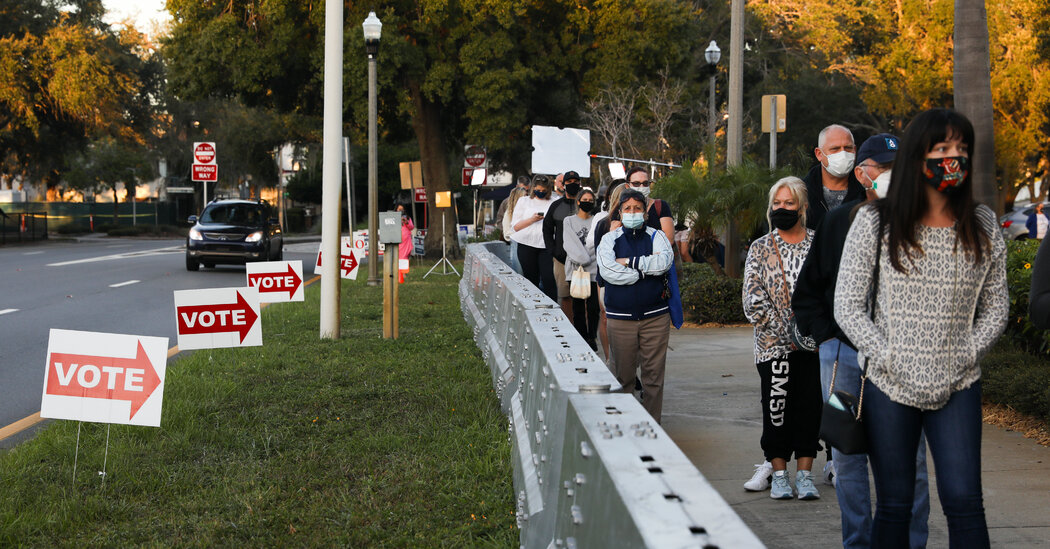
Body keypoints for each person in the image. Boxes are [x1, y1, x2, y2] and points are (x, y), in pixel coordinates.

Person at [835, 108, 1007, 548]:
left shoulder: (983, 224)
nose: (954, 158)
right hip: (890, 386)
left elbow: (996, 308)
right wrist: (888, 354)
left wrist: (967, 353)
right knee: (895, 504)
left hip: (959, 383)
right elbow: (848, 306)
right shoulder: (876, 222)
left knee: (965, 501)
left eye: (961, 149)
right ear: (918, 157)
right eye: (942, 149)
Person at [793, 133, 931, 548]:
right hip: (844, 361)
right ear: (862, 174)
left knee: (912, 462)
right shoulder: (839, 222)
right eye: (882, 169)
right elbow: (809, 292)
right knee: (849, 458)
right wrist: (829, 338)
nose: (891, 176)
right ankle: (858, 540)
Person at [742, 176, 822, 500]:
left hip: (813, 346)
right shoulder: (760, 248)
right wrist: (785, 333)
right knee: (776, 411)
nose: (782, 208)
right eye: (777, 203)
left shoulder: (819, 243)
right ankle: (778, 475)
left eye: (789, 203)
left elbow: (829, 291)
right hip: (773, 348)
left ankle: (804, 476)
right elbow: (752, 297)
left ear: (802, 207)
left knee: (809, 410)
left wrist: (809, 333)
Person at [596, 189, 673, 422]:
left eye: (637, 208)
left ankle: (653, 426)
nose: (632, 213)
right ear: (619, 212)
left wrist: (629, 263)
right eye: (627, 209)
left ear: (645, 213)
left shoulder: (656, 236)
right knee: (623, 377)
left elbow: (663, 263)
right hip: (620, 319)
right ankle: (626, 425)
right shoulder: (609, 239)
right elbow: (608, 272)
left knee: (653, 378)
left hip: (655, 318)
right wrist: (642, 274)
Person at [803, 124, 865, 230]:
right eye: (835, 149)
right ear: (819, 154)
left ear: (854, 150)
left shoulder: (866, 191)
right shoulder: (801, 192)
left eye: (848, 148)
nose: (843, 154)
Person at [563, 188, 600, 350]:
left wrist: (588, 258)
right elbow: (569, 244)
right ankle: (581, 337)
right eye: (584, 199)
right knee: (577, 307)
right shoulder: (568, 221)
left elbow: (596, 244)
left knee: (594, 308)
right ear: (578, 201)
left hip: (593, 270)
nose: (587, 202)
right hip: (575, 269)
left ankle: (592, 337)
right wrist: (583, 258)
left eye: (590, 200)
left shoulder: (597, 221)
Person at [543, 170, 583, 321]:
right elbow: (547, 229)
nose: (573, 185)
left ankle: (584, 331)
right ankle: (570, 327)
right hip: (561, 259)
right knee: (565, 296)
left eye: (575, 182)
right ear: (564, 185)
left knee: (583, 295)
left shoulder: (586, 204)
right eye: (569, 182)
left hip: (584, 260)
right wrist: (552, 250)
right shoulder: (556, 206)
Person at [510, 175, 556, 301]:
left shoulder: (554, 201)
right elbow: (516, 226)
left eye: (543, 191)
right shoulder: (524, 201)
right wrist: (532, 219)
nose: (540, 193)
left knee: (549, 278)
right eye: (538, 190)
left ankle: (552, 306)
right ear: (533, 189)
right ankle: (533, 306)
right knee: (531, 279)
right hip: (526, 243)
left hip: (546, 245)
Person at [502, 178, 531, 273]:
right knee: (520, 273)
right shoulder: (509, 213)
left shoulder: (530, 211)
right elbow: (507, 233)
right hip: (518, 245)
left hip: (530, 246)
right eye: (524, 197)